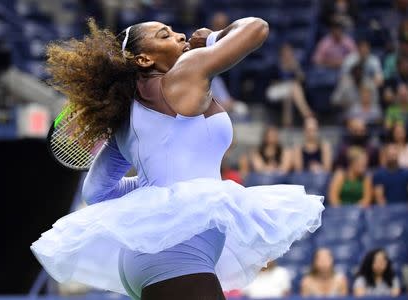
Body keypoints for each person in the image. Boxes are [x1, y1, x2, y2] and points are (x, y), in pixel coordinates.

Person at [30, 18, 324, 300]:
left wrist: (154, 187)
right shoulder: (184, 72)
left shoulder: (126, 117)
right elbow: (257, 28)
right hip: (176, 254)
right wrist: (211, 37)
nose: (180, 36)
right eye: (164, 35)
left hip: (151, 258)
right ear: (144, 60)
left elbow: (96, 192)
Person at [208, 12, 249, 118]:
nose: (219, 29)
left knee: (241, 110)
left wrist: (231, 100)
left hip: (229, 99)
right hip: (210, 100)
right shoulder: (204, 46)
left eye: (222, 26)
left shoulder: (234, 47)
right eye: (217, 25)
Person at [266, 43, 314, 126]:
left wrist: (296, 69)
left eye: (289, 52)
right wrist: (286, 82)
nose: (287, 54)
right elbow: (271, 82)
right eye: (285, 52)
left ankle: (287, 124)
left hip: (289, 92)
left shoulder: (294, 65)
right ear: (281, 53)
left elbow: (303, 81)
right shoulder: (276, 65)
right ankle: (307, 113)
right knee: (293, 87)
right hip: (273, 91)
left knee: (289, 94)